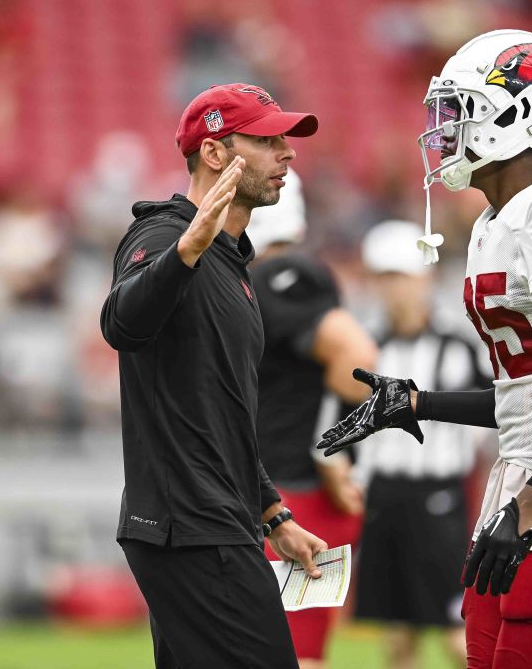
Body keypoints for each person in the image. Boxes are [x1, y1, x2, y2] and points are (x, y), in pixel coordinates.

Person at [319, 29, 532, 669]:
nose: (446, 129)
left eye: (459, 110)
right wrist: (417, 402)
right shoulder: (498, 223)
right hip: (522, 480)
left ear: (517, 114)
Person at [100, 83, 328, 668]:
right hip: (192, 529)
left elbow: (222, 413)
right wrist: (186, 247)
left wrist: (273, 513)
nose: (288, 154)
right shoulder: (163, 234)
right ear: (216, 153)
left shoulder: (231, 261)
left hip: (212, 523)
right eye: (268, 140)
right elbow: (121, 323)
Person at [248, 171, 379, 669]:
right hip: (279, 491)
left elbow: (356, 355)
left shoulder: (283, 274)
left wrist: (330, 451)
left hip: (294, 494)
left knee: (294, 654)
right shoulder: (267, 274)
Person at [352, 220, 494, 669]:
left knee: (458, 632)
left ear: (425, 279)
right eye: (385, 278)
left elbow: (498, 408)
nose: (396, 290)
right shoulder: (364, 348)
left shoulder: (457, 346)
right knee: (397, 636)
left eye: (403, 277)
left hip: (438, 497)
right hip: (381, 498)